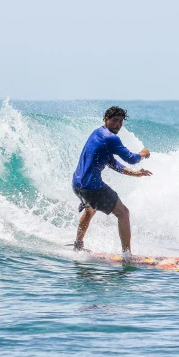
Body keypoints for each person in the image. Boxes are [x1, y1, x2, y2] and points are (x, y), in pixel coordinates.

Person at [72, 106, 152, 259]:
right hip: (91, 187)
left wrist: (134, 174)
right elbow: (131, 158)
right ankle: (127, 255)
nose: (118, 125)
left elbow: (111, 162)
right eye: (115, 120)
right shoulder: (111, 138)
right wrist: (143, 154)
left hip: (77, 184)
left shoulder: (97, 133)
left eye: (121, 122)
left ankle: (78, 245)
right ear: (106, 119)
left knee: (90, 210)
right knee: (123, 213)